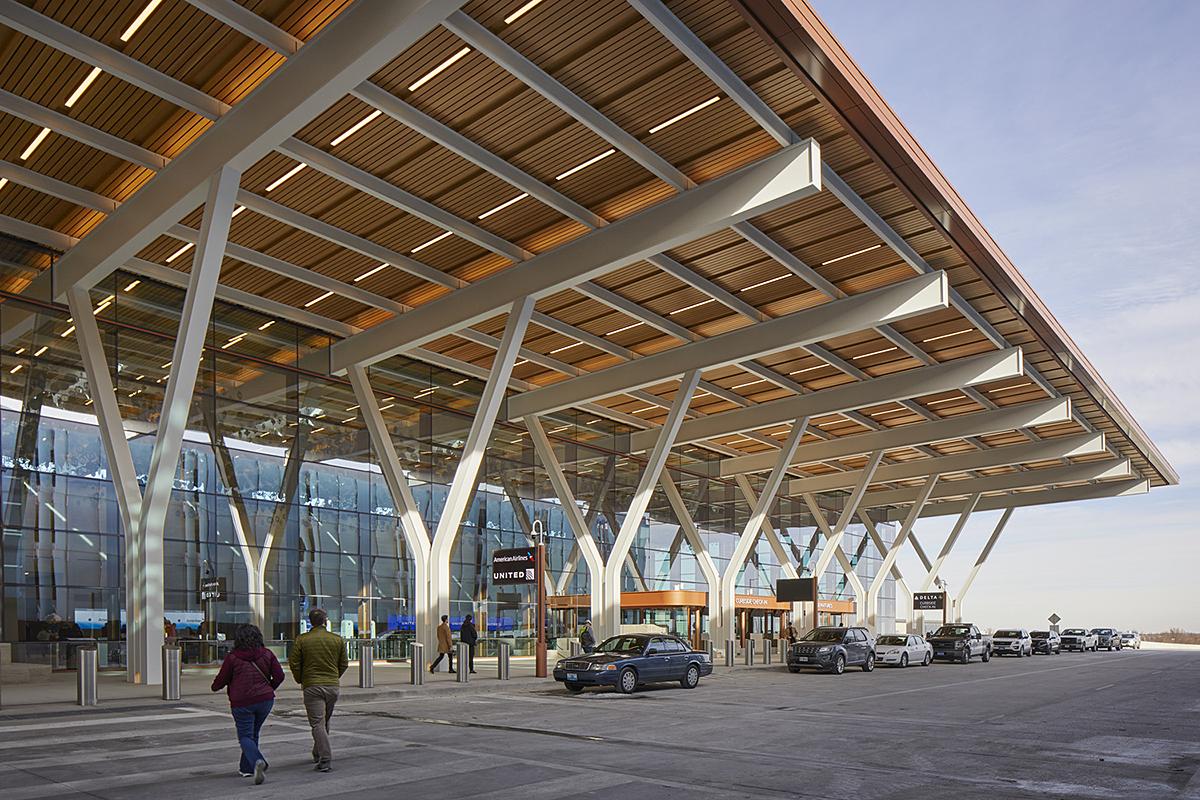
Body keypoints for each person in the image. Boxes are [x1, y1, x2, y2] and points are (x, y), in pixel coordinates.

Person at [211, 624, 284, 784]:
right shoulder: (267, 654)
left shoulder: (233, 657)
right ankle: (247, 768)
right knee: (253, 733)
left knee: (245, 736)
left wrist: (215, 687)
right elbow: (279, 675)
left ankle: (258, 761)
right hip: (265, 700)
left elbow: (221, 680)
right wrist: (268, 688)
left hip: (242, 702)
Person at [289, 608, 347, 773]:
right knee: (324, 721)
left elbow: (294, 663)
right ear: (325, 621)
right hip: (332, 686)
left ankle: (325, 759)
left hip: (312, 686)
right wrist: (334, 676)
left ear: (310, 622)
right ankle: (317, 752)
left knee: (317, 724)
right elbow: (344, 664)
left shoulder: (302, 640)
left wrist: (301, 678)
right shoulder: (337, 640)